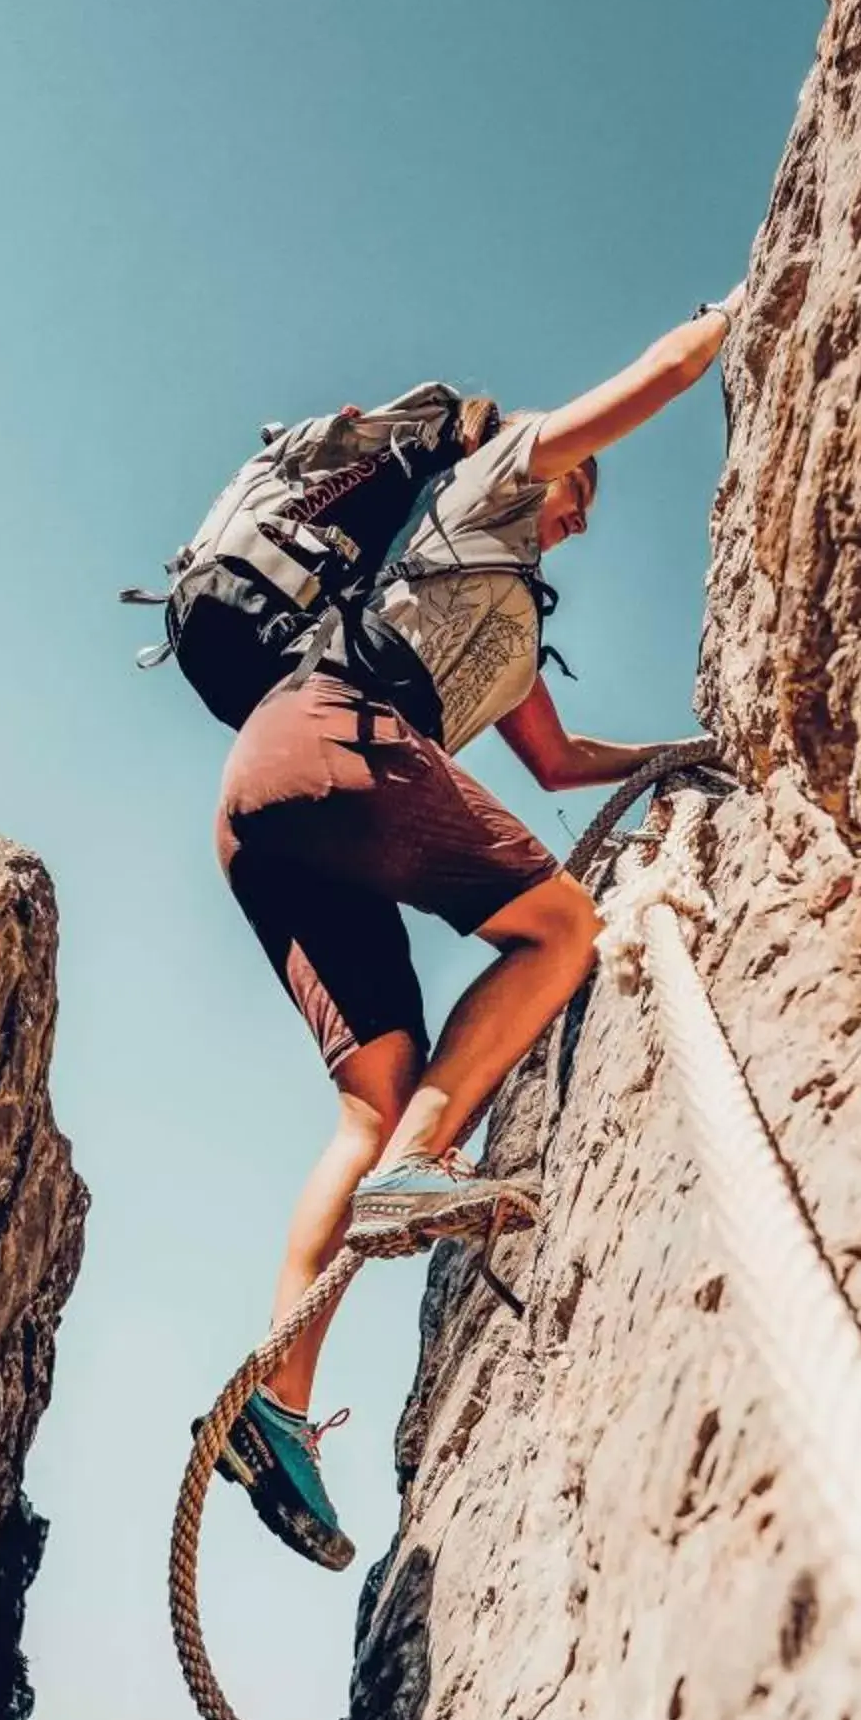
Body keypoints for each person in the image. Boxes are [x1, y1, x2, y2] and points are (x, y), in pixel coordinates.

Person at [206, 290, 740, 1569]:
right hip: (335, 737)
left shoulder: (485, 604)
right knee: (558, 928)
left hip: (263, 789)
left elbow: (557, 767)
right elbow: (663, 369)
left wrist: (689, 747)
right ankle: (426, 1162)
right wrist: (726, 312)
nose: (576, 518)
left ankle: (275, 1406)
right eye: (578, 498)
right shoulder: (491, 480)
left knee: (366, 1097)